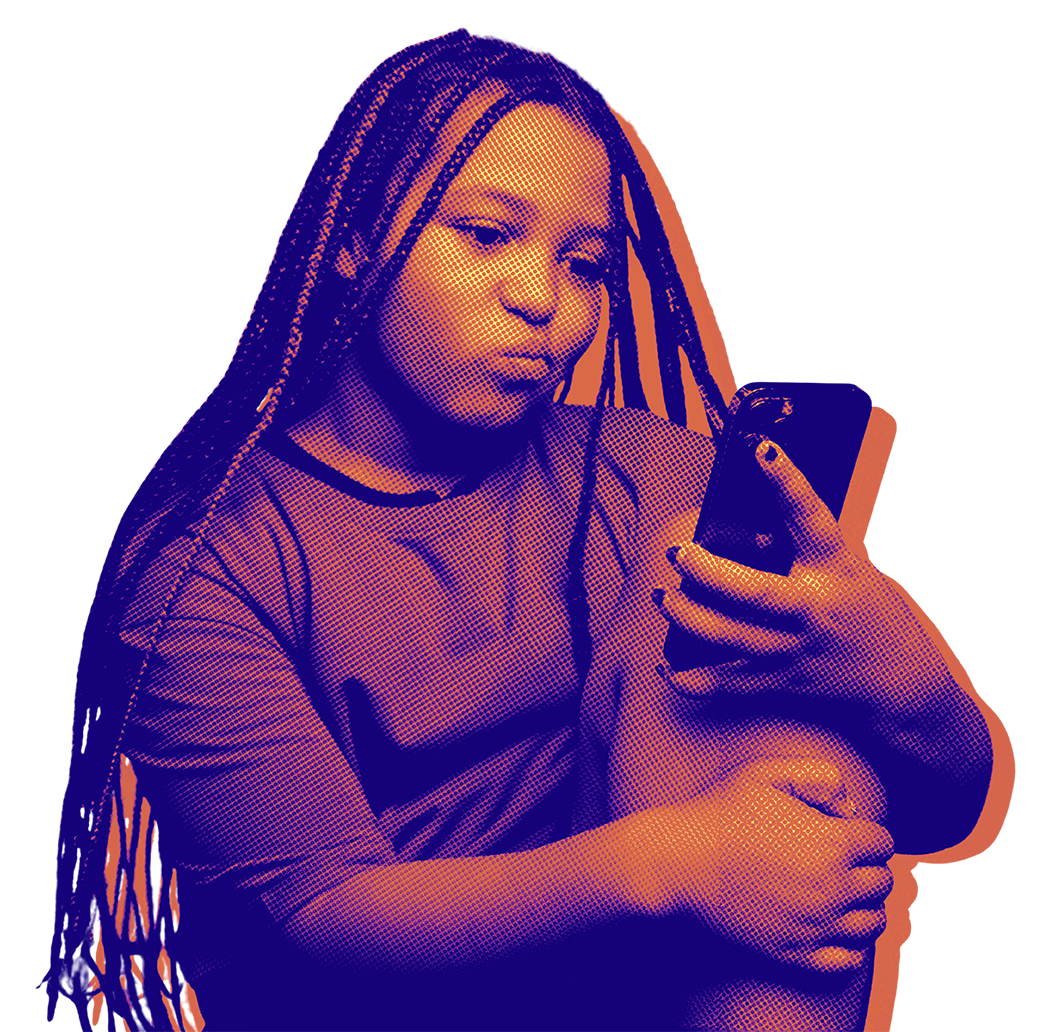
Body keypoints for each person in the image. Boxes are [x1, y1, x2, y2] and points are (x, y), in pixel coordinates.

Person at [43, 30, 1000, 1031]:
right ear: (356, 238)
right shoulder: (207, 562)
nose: (542, 299)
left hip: (636, 1003)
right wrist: (683, 860)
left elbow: (939, 812)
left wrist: (899, 673)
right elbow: (320, 920)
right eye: (488, 234)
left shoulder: (645, 476)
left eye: (585, 264)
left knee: (768, 690)